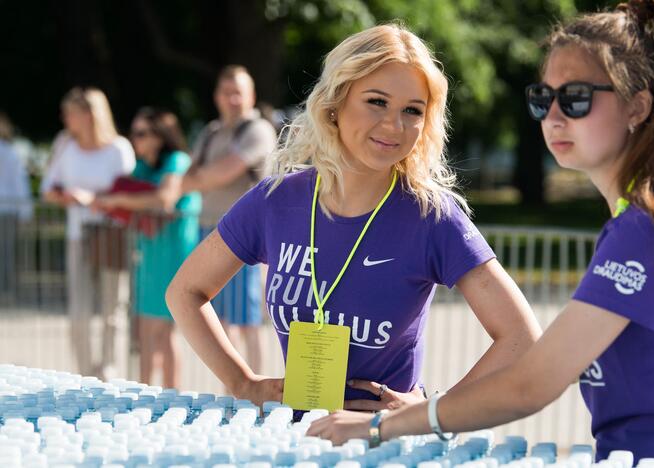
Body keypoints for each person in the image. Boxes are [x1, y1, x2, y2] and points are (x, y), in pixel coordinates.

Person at [308, 2, 654, 467]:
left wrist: (379, 426)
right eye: (542, 98)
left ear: (638, 105)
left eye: (575, 98)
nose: (553, 115)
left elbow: (534, 381)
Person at [166, 24, 541, 410]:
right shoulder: (275, 200)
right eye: (377, 101)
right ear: (335, 101)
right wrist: (241, 381)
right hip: (292, 441)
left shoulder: (432, 217)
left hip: (384, 446)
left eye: (412, 110)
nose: (394, 125)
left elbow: (521, 337)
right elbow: (184, 291)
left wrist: (434, 410)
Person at [93, 108, 201, 388]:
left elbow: (164, 199)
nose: (136, 140)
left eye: (141, 133)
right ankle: (144, 393)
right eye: (134, 133)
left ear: (159, 136)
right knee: (144, 330)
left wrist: (118, 199)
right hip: (149, 253)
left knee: (165, 333)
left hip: (173, 253)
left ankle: (172, 397)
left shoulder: (177, 161)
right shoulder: (144, 166)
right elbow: (133, 195)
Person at [179, 65, 277, 375]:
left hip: (247, 237)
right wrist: (204, 178)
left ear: (251, 96)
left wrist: (202, 178)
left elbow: (223, 172)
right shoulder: (210, 133)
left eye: (239, 92)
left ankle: (258, 390)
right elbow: (189, 177)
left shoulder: (258, 129)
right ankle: (235, 390)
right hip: (209, 230)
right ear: (217, 96)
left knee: (247, 321)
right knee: (219, 319)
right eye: (227, 92)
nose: (232, 99)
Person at [41, 87, 136, 380]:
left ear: (89, 114)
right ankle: (82, 376)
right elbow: (48, 188)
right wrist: (68, 197)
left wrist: (94, 200)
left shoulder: (118, 148)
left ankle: (111, 373)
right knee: (79, 313)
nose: (65, 118)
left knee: (113, 312)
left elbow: (130, 194)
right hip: (77, 235)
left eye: (71, 112)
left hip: (111, 235)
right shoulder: (65, 144)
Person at [0, 111, 32, 303]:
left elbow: (19, 182)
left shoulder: (9, 152)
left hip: (6, 209)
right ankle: (6, 292)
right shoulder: (10, 151)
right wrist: (25, 212)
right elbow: (20, 183)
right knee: (6, 253)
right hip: (8, 210)